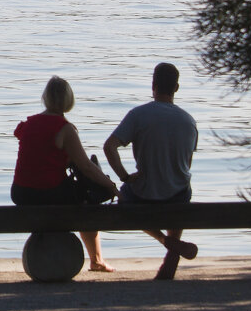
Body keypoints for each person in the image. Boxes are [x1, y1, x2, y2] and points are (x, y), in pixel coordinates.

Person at [12, 75, 121, 272]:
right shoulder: (65, 129)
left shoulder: (27, 124)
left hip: (20, 192)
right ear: (68, 100)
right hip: (48, 191)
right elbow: (86, 167)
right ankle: (96, 260)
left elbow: (38, 152)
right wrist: (111, 186)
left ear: (45, 98)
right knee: (89, 200)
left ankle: (96, 260)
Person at [103, 62, 199, 280]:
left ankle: (167, 242)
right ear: (176, 88)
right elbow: (186, 164)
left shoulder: (138, 115)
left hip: (144, 194)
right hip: (177, 197)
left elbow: (109, 147)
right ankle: (172, 253)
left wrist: (124, 176)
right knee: (182, 185)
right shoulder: (189, 121)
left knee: (123, 200)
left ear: (153, 85)